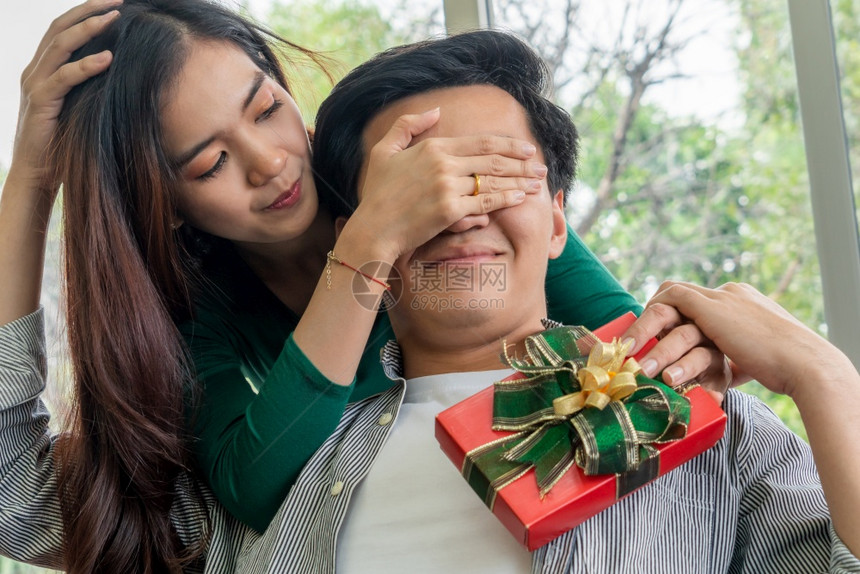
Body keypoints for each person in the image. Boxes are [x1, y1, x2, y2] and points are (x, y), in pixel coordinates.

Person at [0, 0, 721, 571]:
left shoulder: (433, 183)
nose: (271, 163)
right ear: (163, 201)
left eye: (266, 108)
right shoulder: (197, 307)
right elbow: (248, 487)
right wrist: (30, 184)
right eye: (210, 162)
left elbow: (643, 363)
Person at [244, 28, 857, 571]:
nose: (460, 215)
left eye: (498, 176)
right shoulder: (289, 463)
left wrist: (825, 377)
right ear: (359, 231)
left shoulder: (714, 426)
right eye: (418, 188)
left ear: (558, 220)